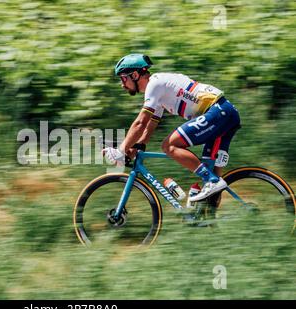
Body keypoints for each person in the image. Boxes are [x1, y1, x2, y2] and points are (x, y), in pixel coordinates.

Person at [103, 53, 241, 202]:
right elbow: (151, 123)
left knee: (169, 145)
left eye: (123, 78)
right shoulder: (158, 89)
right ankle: (207, 219)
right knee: (212, 184)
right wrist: (137, 147)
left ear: (135, 75)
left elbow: (140, 123)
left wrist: (120, 150)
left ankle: (212, 181)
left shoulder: (154, 85)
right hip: (225, 113)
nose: (122, 84)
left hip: (217, 112)